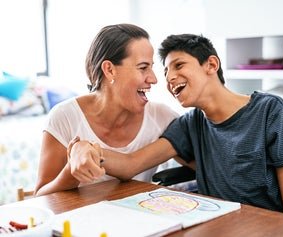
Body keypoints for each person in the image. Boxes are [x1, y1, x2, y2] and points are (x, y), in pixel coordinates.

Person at [68, 33, 283, 218]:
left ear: (211, 65)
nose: (169, 78)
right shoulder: (191, 123)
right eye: (166, 71)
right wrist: (88, 149)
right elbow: (131, 164)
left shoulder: (270, 111)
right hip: (216, 225)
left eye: (179, 65)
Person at [33, 23, 179, 196]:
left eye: (151, 67)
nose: (154, 79)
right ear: (109, 70)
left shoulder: (162, 117)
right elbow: (40, 197)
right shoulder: (64, 117)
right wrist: (72, 171)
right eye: (143, 67)